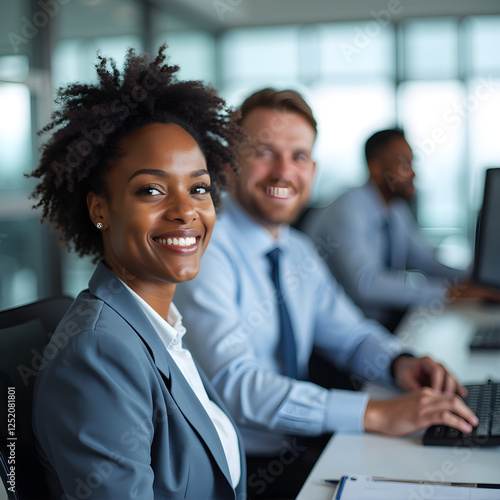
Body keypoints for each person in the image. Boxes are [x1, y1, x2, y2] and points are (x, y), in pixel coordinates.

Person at [174, 90, 478, 500]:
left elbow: (350, 334)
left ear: (312, 169)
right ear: (229, 162)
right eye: (265, 152)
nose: (284, 171)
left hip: (296, 445)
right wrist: (374, 412)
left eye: (299, 157)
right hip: (230, 470)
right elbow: (235, 383)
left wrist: (399, 363)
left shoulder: (296, 249)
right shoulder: (204, 251)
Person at [29, 46, 245, 500]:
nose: (186, 211)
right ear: (100, 209)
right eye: (152, 190)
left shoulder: (156, 327)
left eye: (199, 188)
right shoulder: (99, 351)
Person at [304, 128, 497, 331]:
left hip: (377, 325)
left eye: (412, 163)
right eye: (403, 164)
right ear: (376, 168)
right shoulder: (347, 209)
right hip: (339, 333)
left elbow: (426, 261)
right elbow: (367, 284)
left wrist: (476, 278)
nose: (413, 172)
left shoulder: (395, 208)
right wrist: (450, 293)